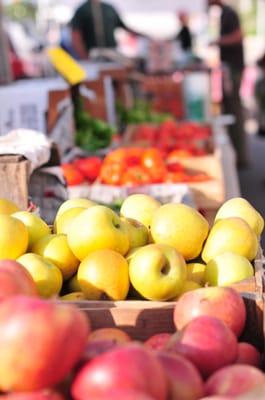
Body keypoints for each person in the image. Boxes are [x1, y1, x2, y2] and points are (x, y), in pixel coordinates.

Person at [208, 0, 248, 168]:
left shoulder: (229, 13)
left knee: (234, 109)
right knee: (230, 108)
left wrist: (217, 41)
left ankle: (241, 157)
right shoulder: (224, 13)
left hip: (233, 69)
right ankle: (238, 154)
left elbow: (238, 35)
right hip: (230, 69)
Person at [71, 0, 142, 60]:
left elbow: (124, 27)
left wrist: (143, 35)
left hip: (111, 52)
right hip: (93, 54)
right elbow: (76, 36)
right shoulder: (82, 10)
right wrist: (84, 57)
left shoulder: (109, 9)